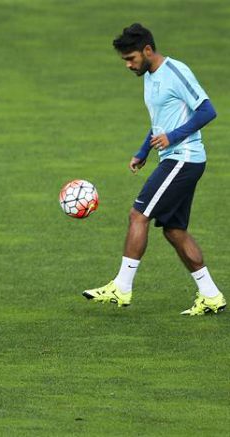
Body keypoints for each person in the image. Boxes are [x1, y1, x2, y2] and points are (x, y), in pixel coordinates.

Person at [83, 23, 224, 315]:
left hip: (184, 158)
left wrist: (172, 138)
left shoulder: (176, 72)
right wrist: (143, 150)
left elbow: (207, 110)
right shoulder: (148, 75)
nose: (128, 65)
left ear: (148, 50)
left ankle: (122, 287)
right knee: (174, 230)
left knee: (139, 214)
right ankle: (211, 296)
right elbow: (161, 120)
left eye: (131, 58)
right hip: (173, 158)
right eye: (124, 60)